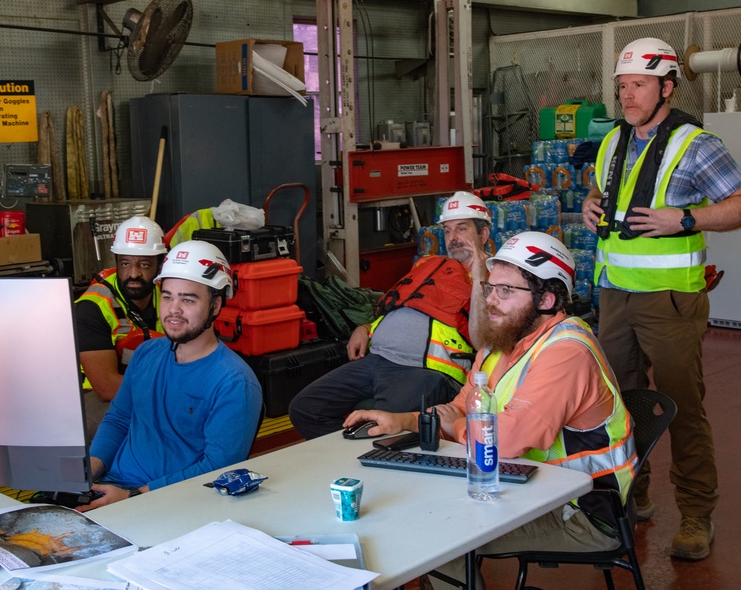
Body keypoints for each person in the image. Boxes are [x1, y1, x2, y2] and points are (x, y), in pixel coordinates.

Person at [343, 232, 636, 589]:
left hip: (584, 512)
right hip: (527, 488)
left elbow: (507, 439)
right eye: (490, 288)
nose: (491, 302)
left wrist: (462, 426)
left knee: (441, 536)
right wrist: (402, 422)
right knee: (417, 510)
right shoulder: (502, 342)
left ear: (546, 299)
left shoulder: (567, 351)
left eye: (506, 291)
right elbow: (459, 406)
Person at [582, 37, 741, 560]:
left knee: (681, 409)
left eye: (638, 85)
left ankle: (695, 516)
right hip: (614, 297)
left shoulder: (695, 145)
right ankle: (632, 498)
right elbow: (604, 192)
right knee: (616, 407)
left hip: (671, 301)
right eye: (622, 86)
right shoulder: (613, 141)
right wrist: (594, 204)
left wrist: (684, 218)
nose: (627, 95)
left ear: (666, 87)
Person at [288, 191, 492, 440]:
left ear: (483, 233)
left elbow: (485, 341)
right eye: (448, 231)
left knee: (381, 430)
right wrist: (365, 328)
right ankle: (355, 459)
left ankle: (373, 459)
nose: (453, 238)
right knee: (305, 409)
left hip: (423, 369)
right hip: (376, 359)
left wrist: (480, 275)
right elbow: (400, 305)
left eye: (462, 229)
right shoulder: (428, 265)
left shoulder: (497, 277)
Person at [76, 240, 263, 510]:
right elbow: (119, 420)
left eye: (188, 299)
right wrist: (89, 472)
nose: (173, 309)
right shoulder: (146, 353)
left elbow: (218, 467)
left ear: (216, 305)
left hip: (170, 504)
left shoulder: (234, 382)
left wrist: (136, 496)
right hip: (112, 488)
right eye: (167, 296)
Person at [75, 216, 167, 440]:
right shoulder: (92, 307)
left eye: (144, 264)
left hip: (145, 385)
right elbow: (106, 388)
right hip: (89, 396)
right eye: (125, 263)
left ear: (160, 264)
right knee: (142, 429)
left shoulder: (168, 295)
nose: (134, 274)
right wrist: (173, 390)